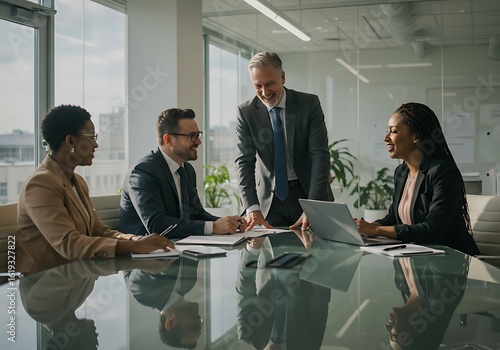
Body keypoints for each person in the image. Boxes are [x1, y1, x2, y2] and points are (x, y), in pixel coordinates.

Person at [16, 105, 175, 275]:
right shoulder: (41, 183)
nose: (96, 144)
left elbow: (98, 231)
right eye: (91, 137)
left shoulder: (77, 181)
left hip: (77, 282)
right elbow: (69, 243)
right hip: (47, 287)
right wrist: (135, 246)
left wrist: (136, 239)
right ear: (70, 141)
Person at [354, 102, 480, 256]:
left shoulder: (443, 172)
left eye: (393, 131)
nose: (386, 138)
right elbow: (395, 217)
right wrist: (366, 227)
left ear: (416, 136)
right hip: (414, 257)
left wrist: (376, 230)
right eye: (387, 131)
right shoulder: (401, 172)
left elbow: (433, 229)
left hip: (449, 262)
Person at [235, 51, 333, 231]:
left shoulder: (308, 104)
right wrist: (252, 207)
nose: (264, 92)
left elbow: (320, 156)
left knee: (316, 254)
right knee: (268, 257)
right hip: (269, 204)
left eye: (270, 84)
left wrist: (314, 206)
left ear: (283, 77)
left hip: (307, 194)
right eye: (258, 86)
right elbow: (244, 161)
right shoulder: (246, 112)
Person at [120, 108, 247, 238]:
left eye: (198, 135)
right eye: (192, 136)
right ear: (168, 140)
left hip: (178, 248)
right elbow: (156, 225)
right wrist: (214, 227)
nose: (198, 142)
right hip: (145, 254)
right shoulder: (143, 171)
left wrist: (227, 222)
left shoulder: (187, 170)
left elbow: (196, 214)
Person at [124, 256, 203, 349]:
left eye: (194, 326)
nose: (199, 319)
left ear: (170, 323)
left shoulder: (145, 294)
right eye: (200, 325)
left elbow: (150, 252)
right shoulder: (190, 283)